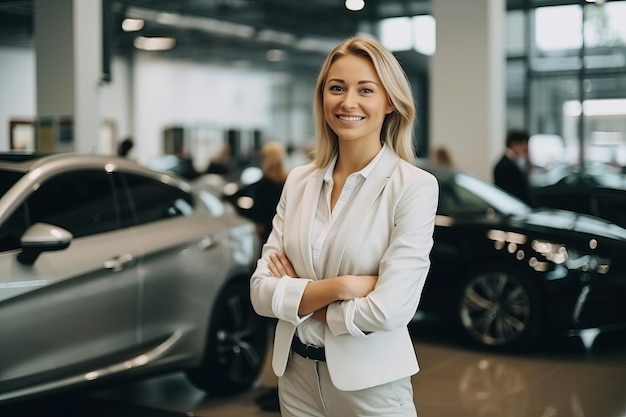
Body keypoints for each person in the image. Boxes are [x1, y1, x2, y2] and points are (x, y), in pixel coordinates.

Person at [249, 35, 439, 417]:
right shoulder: (300, 181)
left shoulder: (413, 186)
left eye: (365, 90)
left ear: (389, 102)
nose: (347, 102)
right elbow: (260, 292)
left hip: (370, 386)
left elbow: (389, 310)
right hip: (296, 378)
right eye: (336, 88)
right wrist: (343, 287)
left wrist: (302, 298)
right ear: (323, 98)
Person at [493, 129, 534, 206]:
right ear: (514, 144)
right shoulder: (504, 166)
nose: (524, 149)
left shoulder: (515, 162)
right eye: (523, 145)